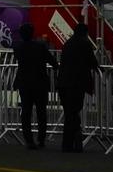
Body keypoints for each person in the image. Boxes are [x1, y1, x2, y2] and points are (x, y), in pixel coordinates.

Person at [13, 22, 55, 150]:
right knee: (41, 112)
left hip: (24, 83)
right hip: (40, 83)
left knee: (26, 112)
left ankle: (28, 140)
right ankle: (41, 139)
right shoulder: (40, 47)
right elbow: (52, 61)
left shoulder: (17, 47)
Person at [56, 23, 98, 154]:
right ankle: (70, 144)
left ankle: (71, 143)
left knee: (70, 114)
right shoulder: (84, 44)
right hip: (76, 84)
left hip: (63, 83)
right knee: (73, 113)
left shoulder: (68, 44)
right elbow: (92, 62)